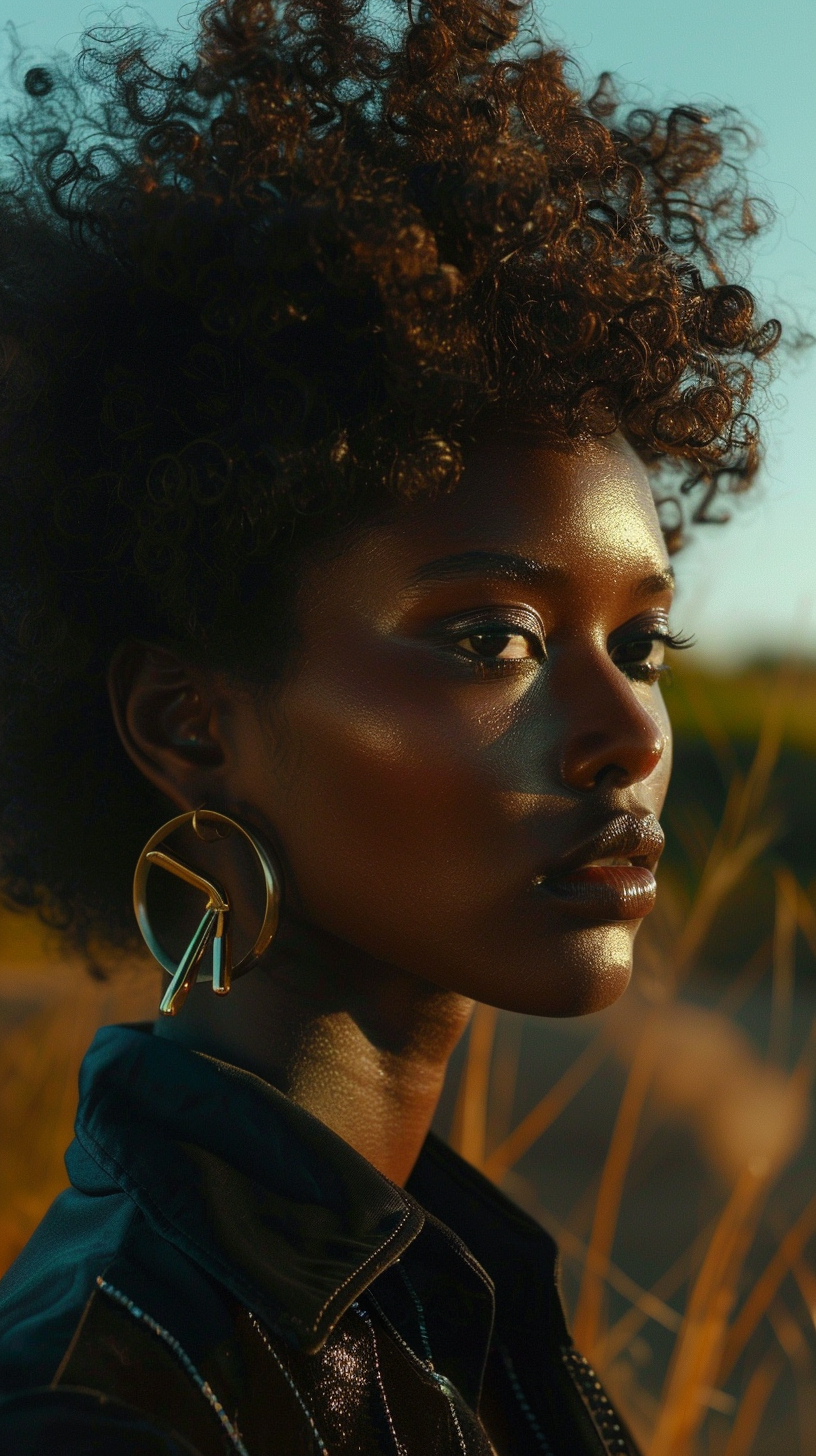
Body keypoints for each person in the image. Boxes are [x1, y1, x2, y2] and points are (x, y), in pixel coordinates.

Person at [0, 0, 779, 1451]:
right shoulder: (110, 1403)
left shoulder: (439, 1284)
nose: (627, 734)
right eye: (492, 639)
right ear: (190, 727)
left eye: (645, 643)